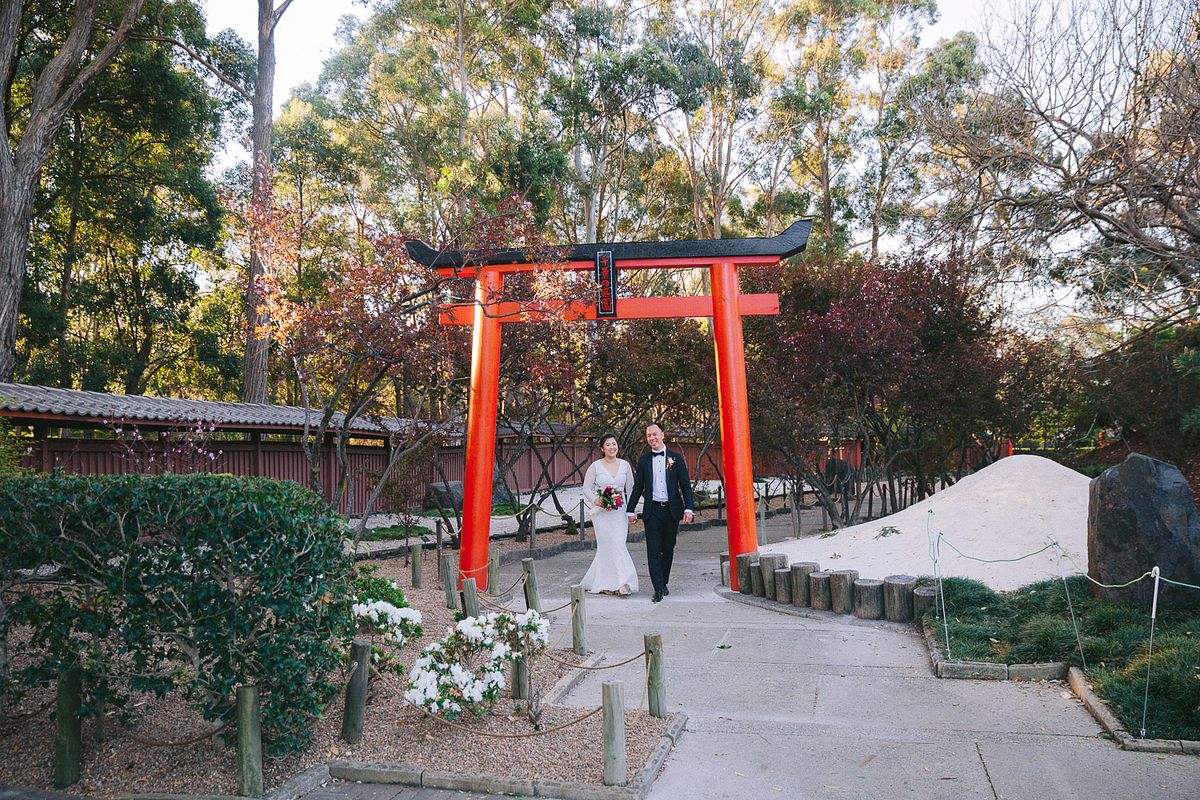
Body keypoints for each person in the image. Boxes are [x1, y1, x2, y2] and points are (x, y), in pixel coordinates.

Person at [626, 423, 695, 602]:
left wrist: (689, 508)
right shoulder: (644, 460)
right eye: (649, 435)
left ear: (662, 435)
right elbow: (637, 487)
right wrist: (630, 510)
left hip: (672, 511)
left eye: (655, 434)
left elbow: (685, 485)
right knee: (653, 550)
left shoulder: (676, 458)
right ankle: (657, 588)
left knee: (668, 548)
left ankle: (663, 582)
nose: (652, 438)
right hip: (652, 511)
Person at [578, 433, 639, 596]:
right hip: (602, 513)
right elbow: (586, 488)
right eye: (608, 445)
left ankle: (624, 582)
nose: (612, 447)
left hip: (620, 512)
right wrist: (595, 500)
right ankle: (606, 583)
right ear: (602, 448)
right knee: (606, 547)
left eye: (614, 444)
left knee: (619, 544)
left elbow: (631, 489)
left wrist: (632, 512)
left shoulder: (625, 465)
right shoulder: (596, 466)